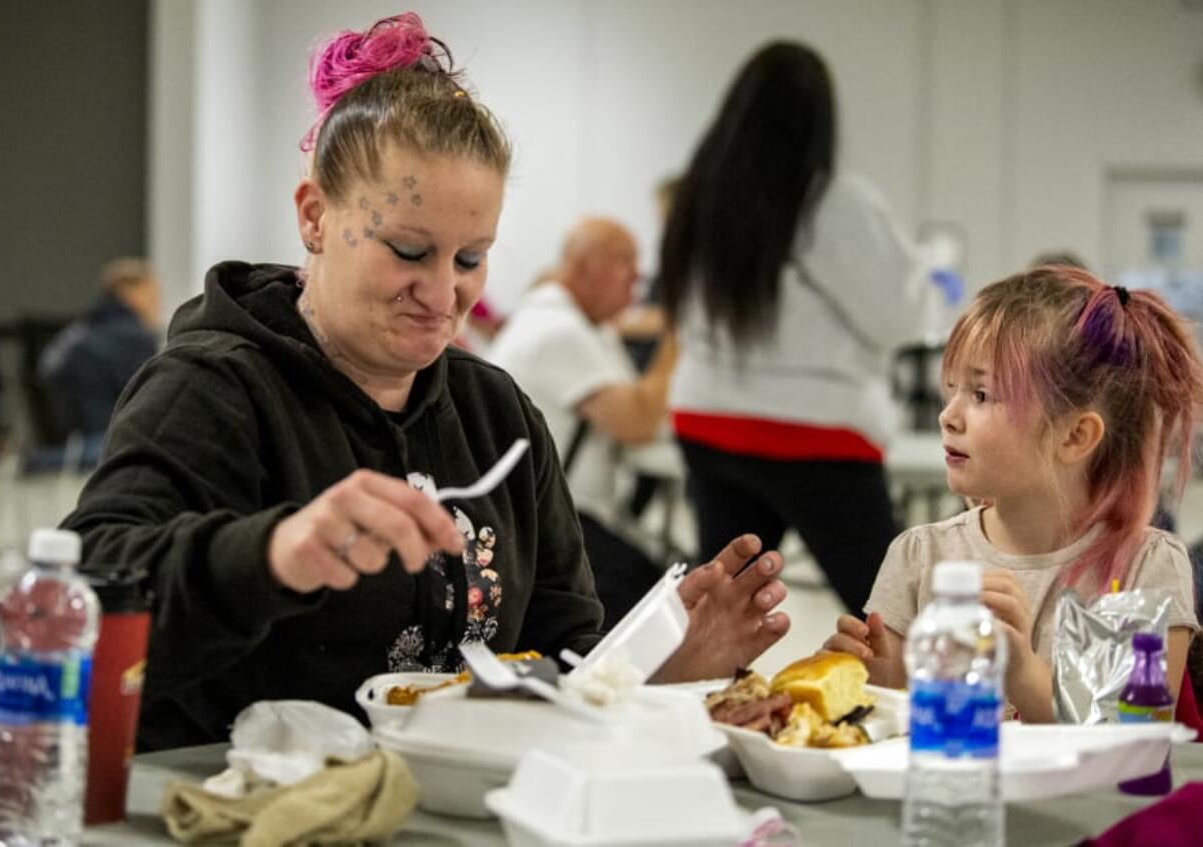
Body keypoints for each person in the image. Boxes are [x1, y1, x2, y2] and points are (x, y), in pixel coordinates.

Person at [59, 13, 790, 751]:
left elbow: (556, 657)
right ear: (314, 216)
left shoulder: (498, 416)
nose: (443, 297)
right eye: (409, 251)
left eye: (470, 259)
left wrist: (655, 671)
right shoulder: (211, 390)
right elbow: (81, 602)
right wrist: (274, 553)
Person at [825, 265, 1203, 721]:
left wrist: (1020, 670)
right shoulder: (920, 556)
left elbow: (1127, 736)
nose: (948, 415)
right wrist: (884, 686)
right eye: (953, 390)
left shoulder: (1143, 566)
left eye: (982, 395)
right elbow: (906, 731)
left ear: (1074, 437)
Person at [655, 42, 939, 617]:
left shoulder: (698, 198)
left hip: (707, 420)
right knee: (886, 615)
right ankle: (916, 703)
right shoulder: (830, 200)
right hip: (813, 428)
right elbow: (902, 317)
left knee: (717, 613)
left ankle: (691, 701)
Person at [487, 217, 676, 628]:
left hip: (560, 510)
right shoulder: (559, 330)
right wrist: (676, 338)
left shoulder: (581, 323)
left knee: (656, 582)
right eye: (626, 262)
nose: (637, 278)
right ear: (585, 268)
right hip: (545, 522)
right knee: (655, 601)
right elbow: (639, 423)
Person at [37, 257, 161, 465]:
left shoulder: (83, 328)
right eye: (152, 295)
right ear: (128, 292)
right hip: (99, 437)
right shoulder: (132, 336)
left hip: (71, 440)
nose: (157, 303)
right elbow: (146, 402)